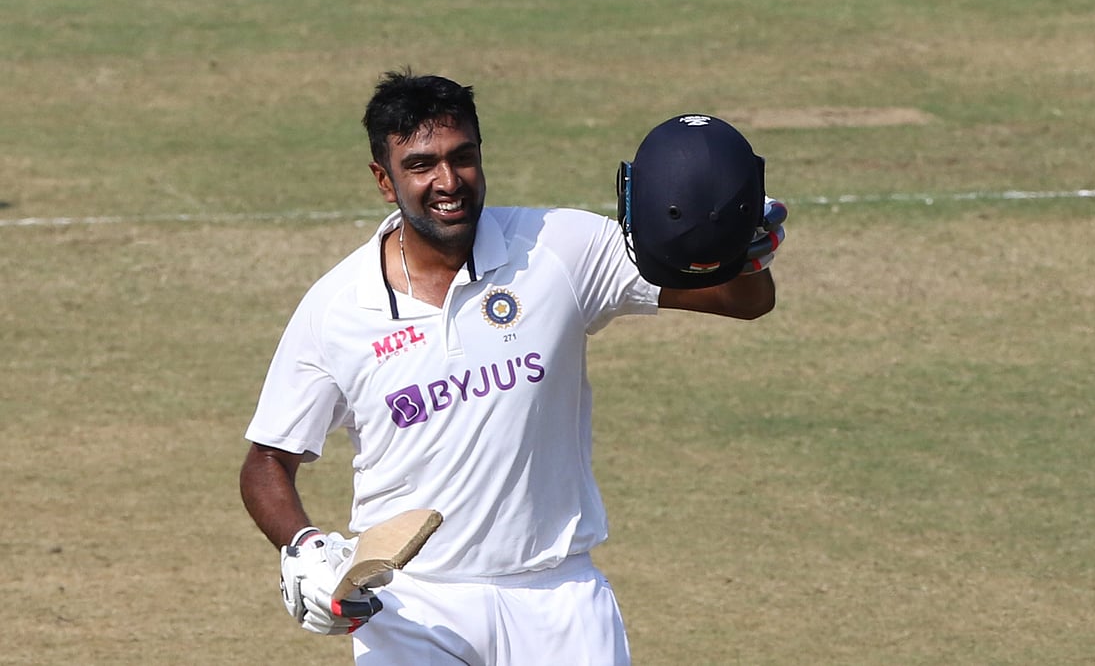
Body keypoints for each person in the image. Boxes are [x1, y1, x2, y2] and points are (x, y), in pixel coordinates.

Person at [239, 69, 784, 665]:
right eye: (421, 165)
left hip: (558, 597)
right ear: (384, 180)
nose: (448, 182)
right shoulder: (337, 309)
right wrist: (304, 546)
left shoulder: (562, 249)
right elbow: (269, 460)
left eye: (462, 157)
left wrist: (742, 251)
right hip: (412, 608)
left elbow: (741, 303)